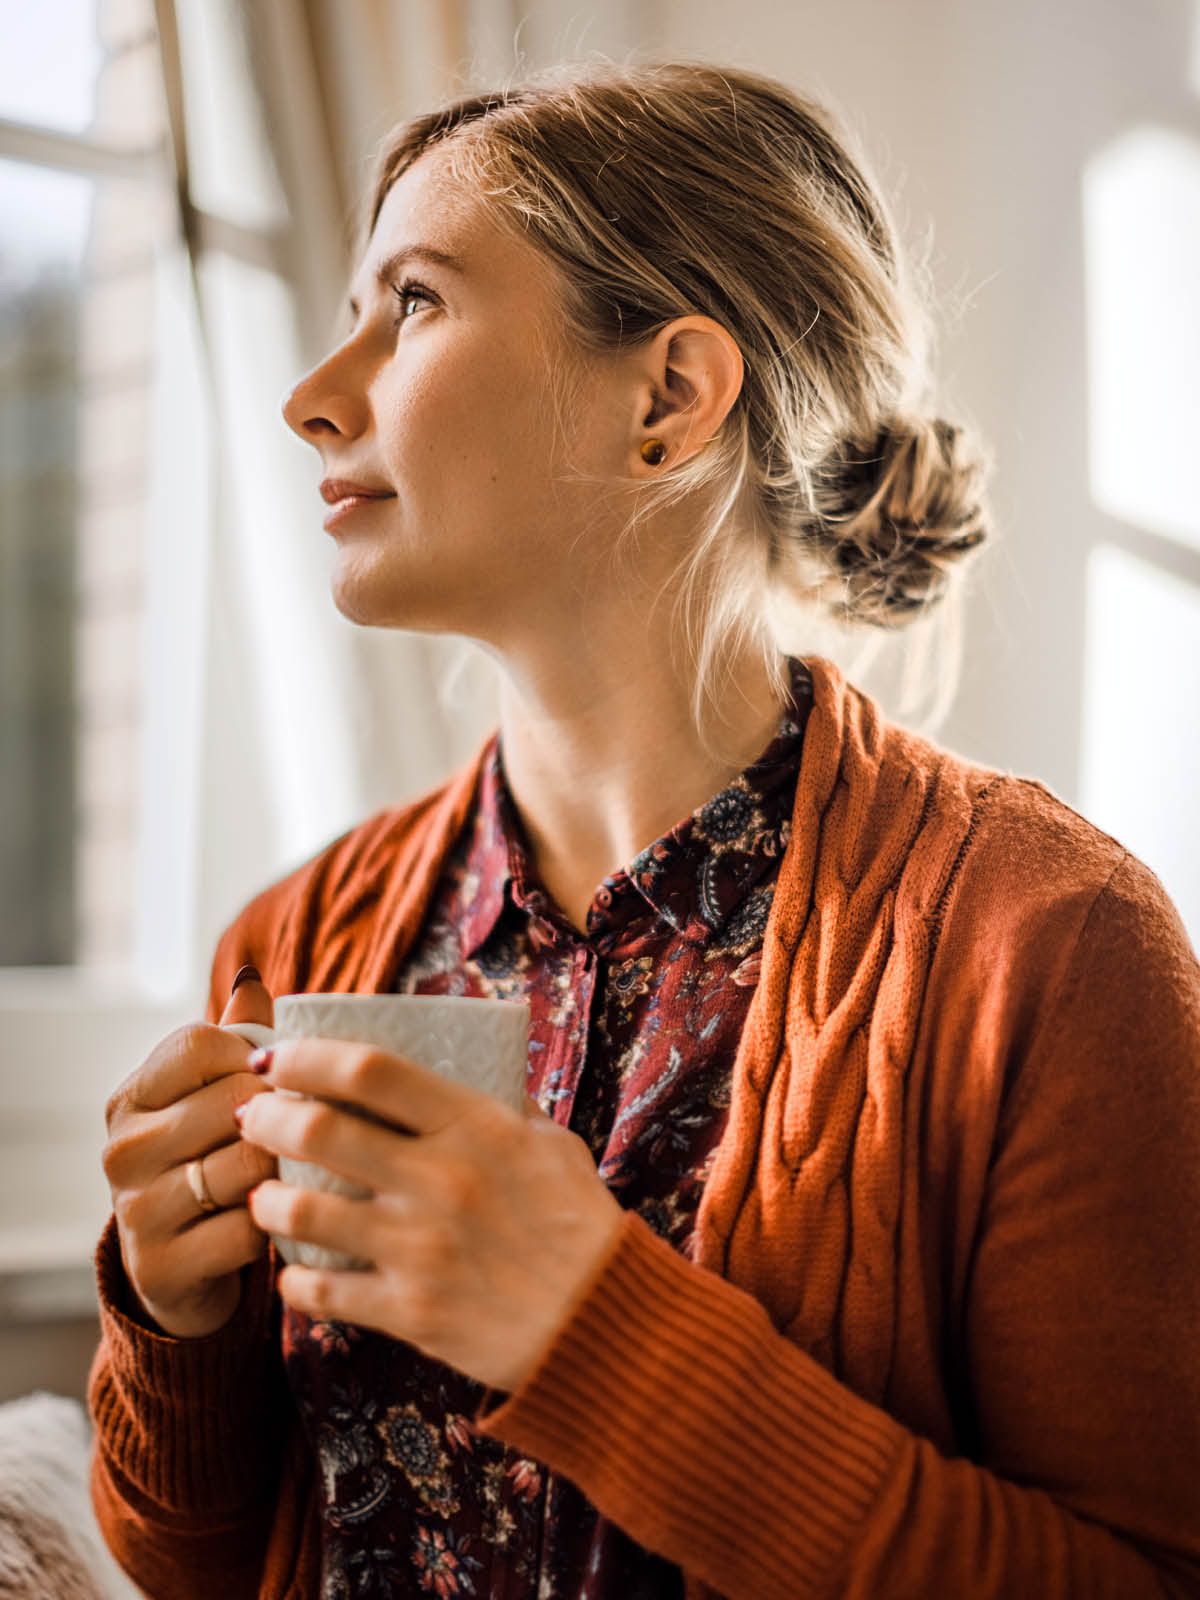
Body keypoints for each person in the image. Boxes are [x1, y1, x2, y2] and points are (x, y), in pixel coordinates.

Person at [88, 60, 1200, 1600]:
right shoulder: (295, 941)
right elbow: (198, 1561)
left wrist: (590, 1333)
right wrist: (175, 1319)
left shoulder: (1050, 949)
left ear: (668, 397)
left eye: (410, 302)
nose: (310, 393)